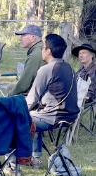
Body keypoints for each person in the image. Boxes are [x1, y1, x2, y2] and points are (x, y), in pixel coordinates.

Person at [26, 34, 79, 168]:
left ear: (48, 51)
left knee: (16, 119)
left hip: (54, 118)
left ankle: (12, 163)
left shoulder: (47, 69)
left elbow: (32, 99)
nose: (42, 51)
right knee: (35, 113)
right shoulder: (69, 68)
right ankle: (35, 158)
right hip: (70, 116)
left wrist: (20, 110)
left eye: (43, 48)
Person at [7, 24, 46, 96]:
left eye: (23, 35)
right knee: (10, 87)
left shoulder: (35, 55)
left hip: (37, 94)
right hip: (41, 89)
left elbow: (23, 84)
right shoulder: (41, 49)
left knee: (11, 91)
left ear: (33, 38)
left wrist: (9, 96)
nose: (20, 39)